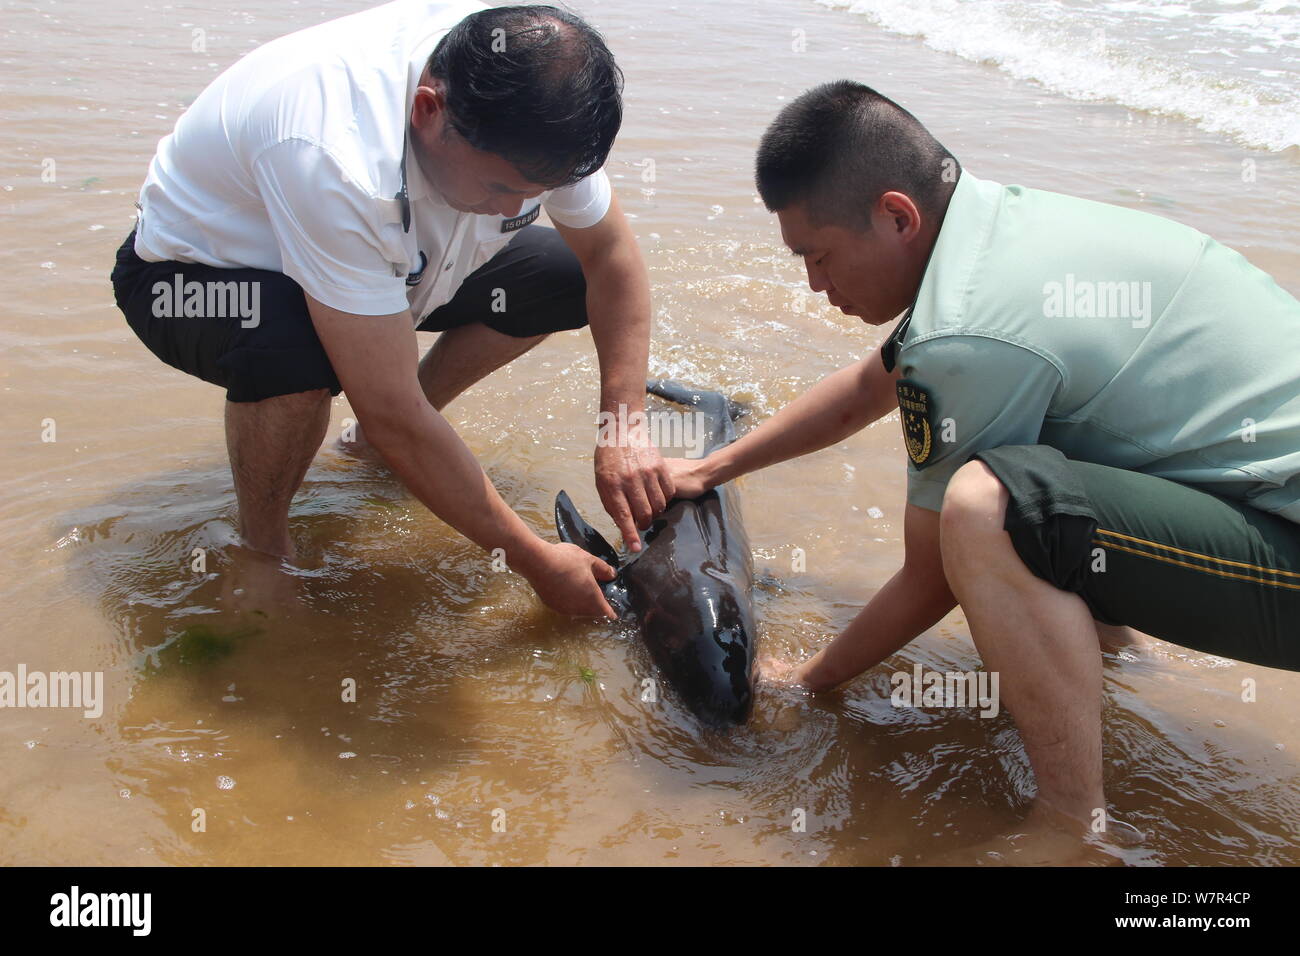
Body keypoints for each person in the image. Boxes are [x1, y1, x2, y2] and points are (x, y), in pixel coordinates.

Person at [665, 79, 1300, 859]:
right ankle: (1114, 653)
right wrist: (716, 467)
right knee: (1043, 457)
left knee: (988, 510)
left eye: (820, 257)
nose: (815, 286)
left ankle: (1072, 823)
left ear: (897, 215)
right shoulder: (998, 224)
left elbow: (932, 574)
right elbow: (871, 387)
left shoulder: (967, 331)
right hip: (1266, 491)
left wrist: (809, 678)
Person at [110, 1, 675, 619]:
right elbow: (387, 408)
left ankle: (379, 455)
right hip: (192, 279)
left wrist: (622, 429)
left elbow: (611, 257)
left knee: (564, 275)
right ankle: (263, 547)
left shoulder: (536, 94)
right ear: (428, 111)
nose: (517, 204)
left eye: (538, 192)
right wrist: (535, 560)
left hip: (396, 264)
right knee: (295, 351)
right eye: (501, 189)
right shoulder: (335, 156)